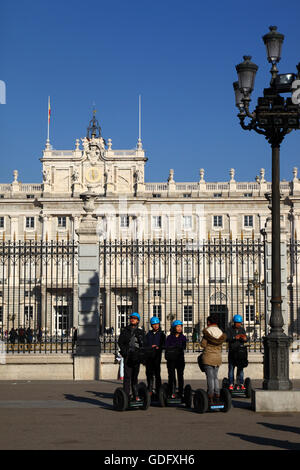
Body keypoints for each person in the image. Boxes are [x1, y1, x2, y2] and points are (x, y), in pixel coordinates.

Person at [118, 312, 145, 401]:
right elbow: (120, 342)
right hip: (128, 356)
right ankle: (126, 395)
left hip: (137, 357)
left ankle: (135, 394)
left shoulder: (140, 332)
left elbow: (143, 344)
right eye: (131, 318)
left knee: (135, 377)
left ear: (138, 320)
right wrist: (125, 352)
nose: (133, 319)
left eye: (135, 318)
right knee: (127, 377)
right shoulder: (125, 330)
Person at [200, 314, 227, 404]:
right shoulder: (220, 332)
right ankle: (217, 395)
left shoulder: (207, 332)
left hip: (208, 357)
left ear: (209, 322)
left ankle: (210, 396)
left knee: (210, 378)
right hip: (217, 358)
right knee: (215, 377)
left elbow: (203, 345)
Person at [144, 316, 166, 396]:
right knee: (149, 373)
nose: (156, 326)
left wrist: (158, 347)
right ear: (151, 325)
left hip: (157, 356)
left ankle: (158, 390)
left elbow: (164, 344)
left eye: (157, 324)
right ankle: (149, 389)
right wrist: (150, 347)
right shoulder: (148, 334)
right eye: (154, 324)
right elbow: (145, 344)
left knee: (157, 374)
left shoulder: (162, 334)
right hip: (149, 357)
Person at [165, 320, 186, 400]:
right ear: (174, 328)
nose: (179, 328)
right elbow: (167, 346)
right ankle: (172, 392)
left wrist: (175, 348)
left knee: (180, 376)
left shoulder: (183, 337)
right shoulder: (169, 337)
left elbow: (183, 346)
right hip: (171, 360)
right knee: (171, 376)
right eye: (178, 327)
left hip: (180, 359)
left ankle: (180, 392)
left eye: (180, 326)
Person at [226, 315, 248, 391]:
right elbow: (227, 338)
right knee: (231, 369)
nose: (239, 324)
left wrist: (245, 339)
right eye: (237, 323)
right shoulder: (229, 330)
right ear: (234, 323)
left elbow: (246, 339)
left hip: (240, 352)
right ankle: (231, 383)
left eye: (240, 323)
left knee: (240, 369)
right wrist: (234, 338)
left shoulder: (242, 329)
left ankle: (240, 383)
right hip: (232, 351)